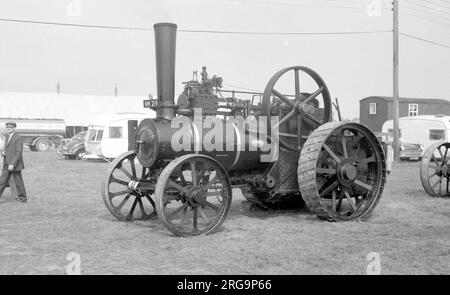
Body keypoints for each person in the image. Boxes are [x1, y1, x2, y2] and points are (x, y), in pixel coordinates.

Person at [0, 121, 27, 202]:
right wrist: (3, 152)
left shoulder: (18, 137)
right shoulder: (7, 137)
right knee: (2, 181)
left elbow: (19, 152)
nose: (8, 129)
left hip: (15, 164)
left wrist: (12, 164)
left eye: (10, 128)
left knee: (18, 182)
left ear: (14, 128)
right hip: (6, 163)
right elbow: (5, 148)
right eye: (7, 128)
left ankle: (22, 198)